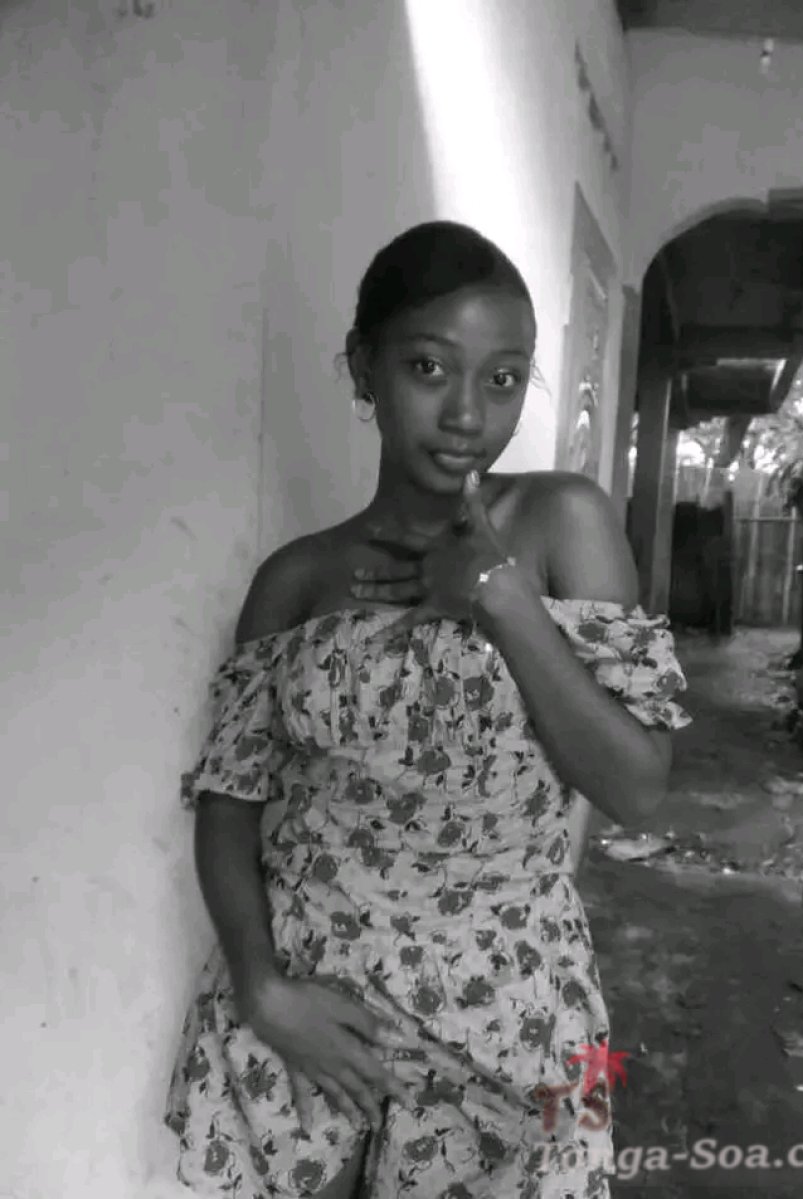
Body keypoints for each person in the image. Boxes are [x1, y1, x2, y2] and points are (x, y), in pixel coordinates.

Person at [164, 220, 690, 1198]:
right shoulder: (296, 578)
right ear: (364, 365)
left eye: (504, 378)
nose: (467, 414)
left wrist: (499, 595)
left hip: (509, 1013)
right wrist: (262, 985)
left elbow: (638, 787)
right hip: (312, 1008)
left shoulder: (562, 522)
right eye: (428, 367)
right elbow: (229, 801)